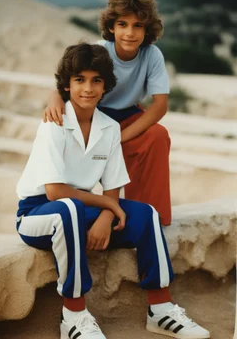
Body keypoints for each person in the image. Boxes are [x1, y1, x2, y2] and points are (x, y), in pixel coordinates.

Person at [16, 43, 210, 339]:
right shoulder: (54, 123)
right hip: (38, 213)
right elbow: (55, 192)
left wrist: (107, 216)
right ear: (67, 85)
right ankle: (74, 315)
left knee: (146, 213)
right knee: (69, 208)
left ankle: (160, 309)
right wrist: (109, 206)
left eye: (96, 80)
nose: (88, 88)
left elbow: (114, 187)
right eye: (79, 80)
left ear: (106, 85)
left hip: (81, 209)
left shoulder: (108, 128)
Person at [43, 0, 172, 226]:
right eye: (123, 24)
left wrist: (119, 138)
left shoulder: (152, 55)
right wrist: (54, 97)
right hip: (93, 115)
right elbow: (67, 83)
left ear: (148, 29)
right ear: (112, 26)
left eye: (138, 25)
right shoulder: (99, 51)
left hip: (128, 116)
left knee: (157, 136)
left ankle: (151, 216)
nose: (130, 33)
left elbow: (159, 106)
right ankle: (73, 211)